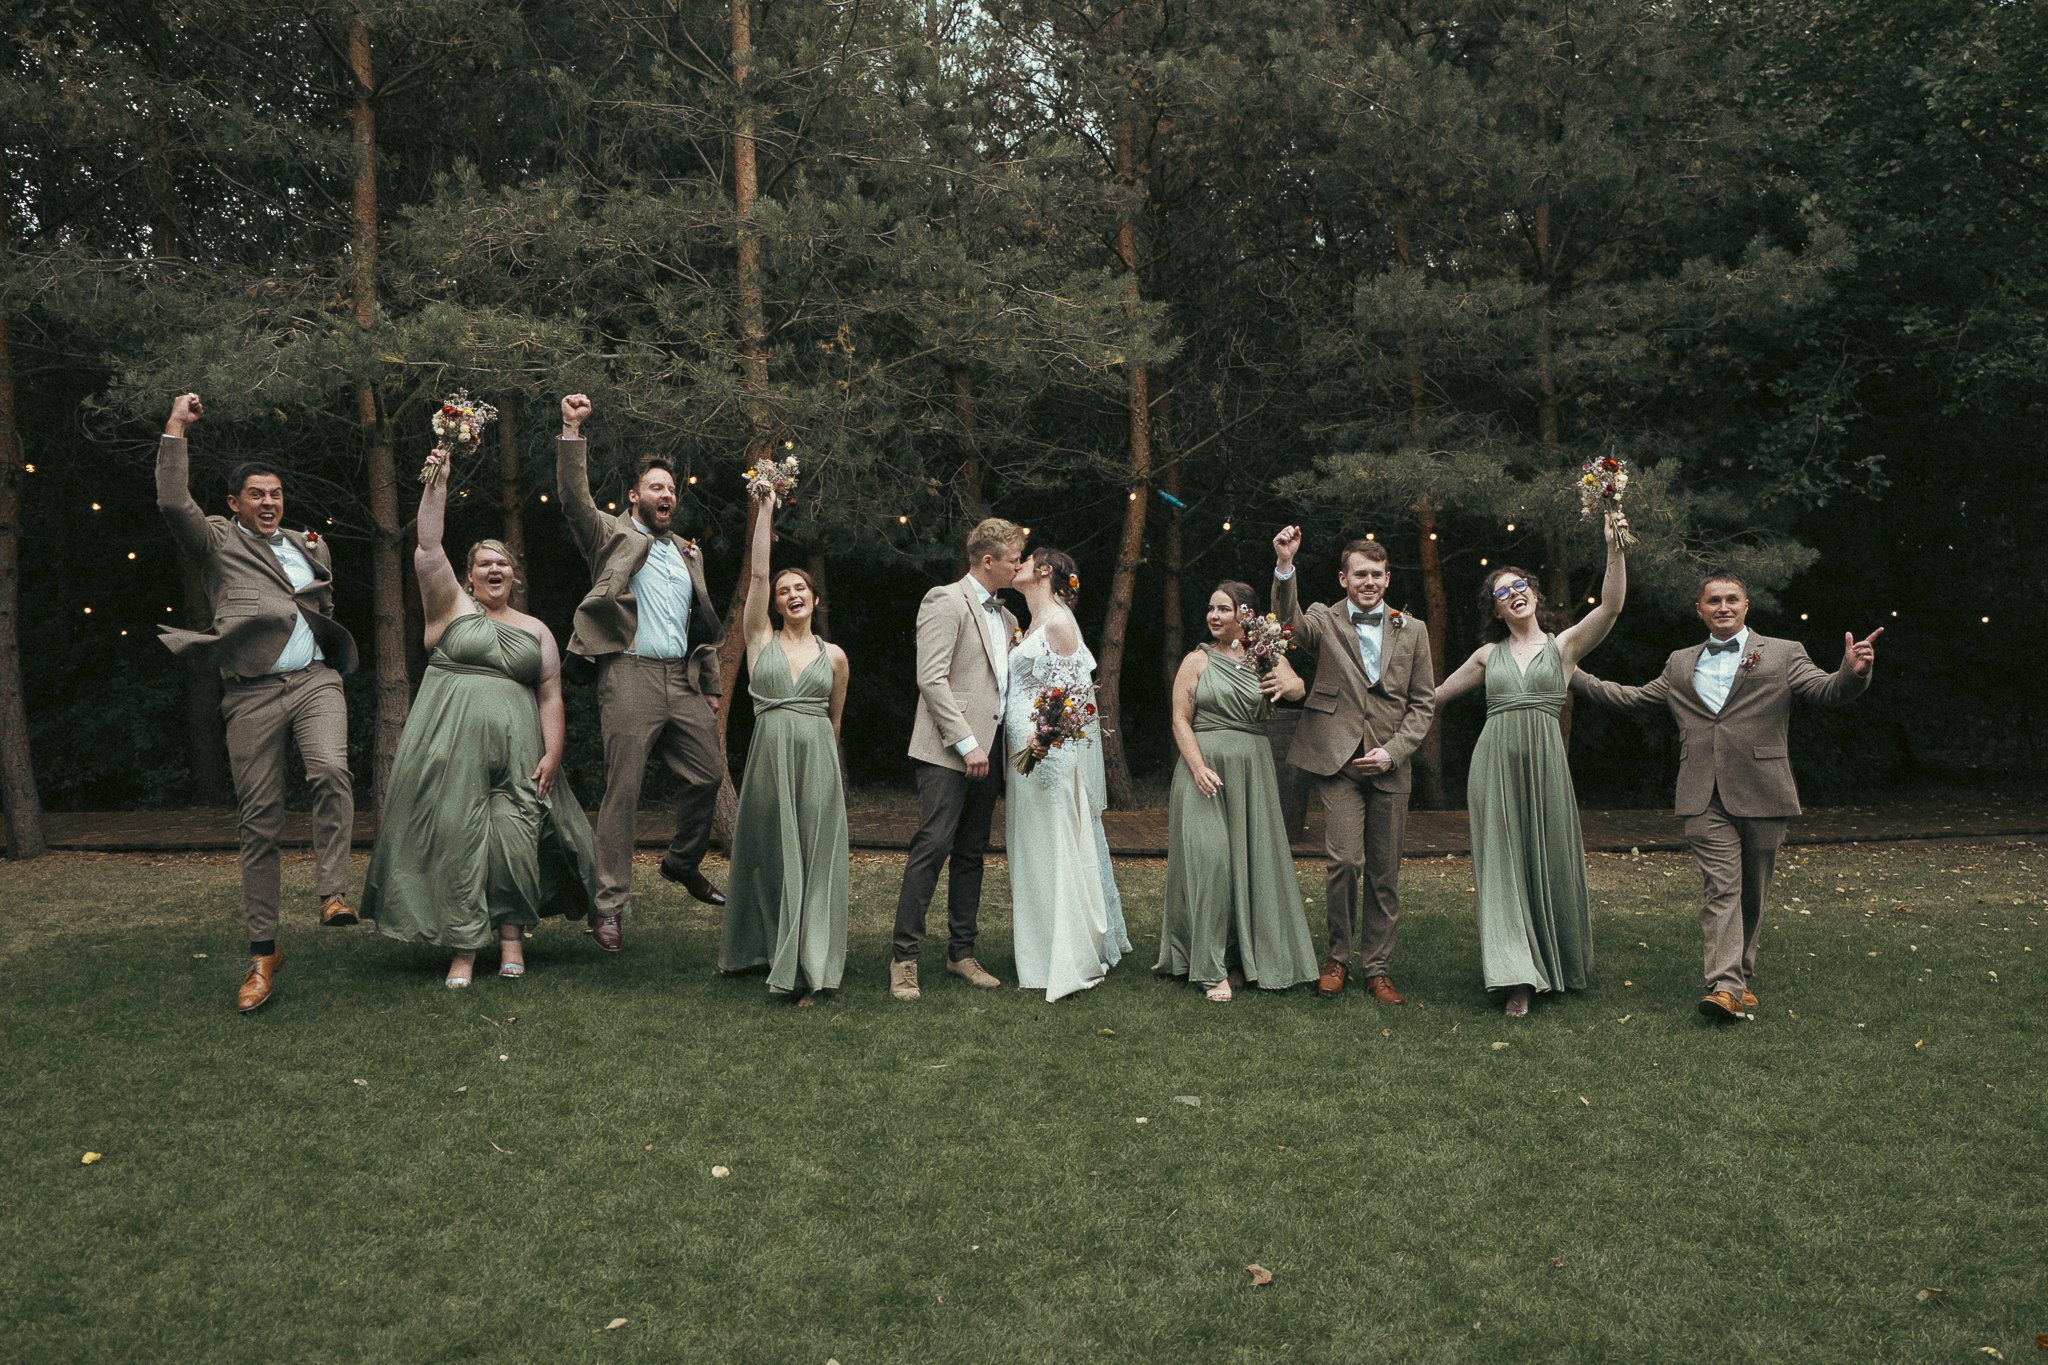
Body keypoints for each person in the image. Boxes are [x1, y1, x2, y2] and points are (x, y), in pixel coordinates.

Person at [1572, 573, 1882, 1020]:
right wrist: (1569, 670)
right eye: (1713, 600)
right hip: (1701, 792)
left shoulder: (1782, 652)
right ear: (1700, 610)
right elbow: (1631, 697)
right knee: (1721, 887)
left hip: (1764, 788)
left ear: (1746, 606)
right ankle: (1724, 987)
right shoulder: (1679, 663)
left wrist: (1854, 673)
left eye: (1731, 599)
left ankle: (1740, 974)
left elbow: (1825, 690)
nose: (1723, 606)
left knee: (1753, 892)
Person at [359, 449, 597, 986]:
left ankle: (511, 938)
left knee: (515, 839)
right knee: (458, 842)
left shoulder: (536, 629)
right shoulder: (451, 610)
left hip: (518, 751)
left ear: (514, 575)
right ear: (468, 577)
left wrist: (553, 753)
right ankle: (464, 947)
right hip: (449, 748)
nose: (495, 567)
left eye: (503, 562)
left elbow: (551, 694)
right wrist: (437, 482)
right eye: (484, 562)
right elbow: (427, 546)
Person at [155, 392, 359, 1012]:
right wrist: (176, 427)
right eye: (257, 495)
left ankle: (332, 894)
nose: (269, 503)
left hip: (315, 681)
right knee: (260, 823)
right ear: (234, 503)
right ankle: (263, 955)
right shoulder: (216, 541)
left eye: (275, 494)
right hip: (251, 696)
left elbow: (322, 604)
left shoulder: (310, 544)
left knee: (330, 769)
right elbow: (170, 500)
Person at [1433, 516, 1627, 1016]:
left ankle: (1554, 961)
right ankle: (1515, 975)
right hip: (1493, 767)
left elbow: (1610, 607)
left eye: (1521, 585)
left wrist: (1614, 549)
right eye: (1503, 592)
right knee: (1502, 869)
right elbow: (1432, 699)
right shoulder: (1485, 656)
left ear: (1535, 595)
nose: (1514, 593)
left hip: (1545, 767)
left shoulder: (1562, 648)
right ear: (1496, 611)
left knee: (1549, 858)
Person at [555, 394, 726, 953]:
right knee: (623, 791)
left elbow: (701, 623)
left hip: (680, 680)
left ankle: (680, 862)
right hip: (627, 675)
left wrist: (710, 684)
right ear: (634, 495)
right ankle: (607, 907)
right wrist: (572, 432)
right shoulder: (612, 537)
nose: (667, 495)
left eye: (672, 489)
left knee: (707, 774)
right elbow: (575, 500)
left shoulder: (686, 551)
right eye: (656, 487)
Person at [1270, 528, 1436, 1003]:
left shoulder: (1414, 629)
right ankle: (1338, 958)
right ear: (1344, 579)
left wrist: (1396, 751)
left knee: (1385, 874)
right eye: (1359, 574)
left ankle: (1378, 968)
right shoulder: (1324, 619)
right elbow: (1288, 626)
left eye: (1377, 574)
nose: (1369, 581)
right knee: (1344, 862)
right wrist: (1285, 567)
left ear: (1388, 579)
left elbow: (1423, 705)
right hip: (1336, 758)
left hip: (1389, 764)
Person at [717, 486, 851, 1005]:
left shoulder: (835, 657)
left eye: (801, 588)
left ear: (815, 600)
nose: (791, 594)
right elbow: (755, 574)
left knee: (814, 861)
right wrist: (766, 510)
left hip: (815, 764)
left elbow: (834, 722)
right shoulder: (759, 640)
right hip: (769, 761)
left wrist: (830, 778)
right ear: (773, 603)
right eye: (783, 590)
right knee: (769, 856)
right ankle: (769, 949)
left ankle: (812, 971)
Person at [1157, 582, 1320, 1001]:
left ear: (1243, 614)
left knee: (1251, 863)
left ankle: (1245, 959)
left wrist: (1285, 687)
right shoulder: (1197, 660)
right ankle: (1209, 969)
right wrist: (1197, 767)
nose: (1213, 616)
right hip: (1204, 771)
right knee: (1211, 863)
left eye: (1223, 609)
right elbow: (1179, 719)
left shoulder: (1262, 654)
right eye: (1210, 608)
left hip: (1252, 768)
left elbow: (1300, 687)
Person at [889, 518, 1026, 1001]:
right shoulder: (944, 599)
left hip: (992, 750)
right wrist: (966, 742)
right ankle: (904, 960)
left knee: (972, 852)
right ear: (987, 560)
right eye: (1014, 559)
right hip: (948, 749)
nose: (1020, 565)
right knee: (933, 847)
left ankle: (960, 953)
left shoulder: (1008, 619)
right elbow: (931, 678)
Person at [1004, 547, 1129, 1001]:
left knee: (1053, 844)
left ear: (1044, 571)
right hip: (1021, 756)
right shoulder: (1031, 623)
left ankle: (1063, 951)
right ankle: (1036, 946)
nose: (1014, 565)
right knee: (1030, 847)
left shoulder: (1057, 622)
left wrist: (1046, 737)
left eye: (1024, 559)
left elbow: (1075, 696)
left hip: (1046, 757)